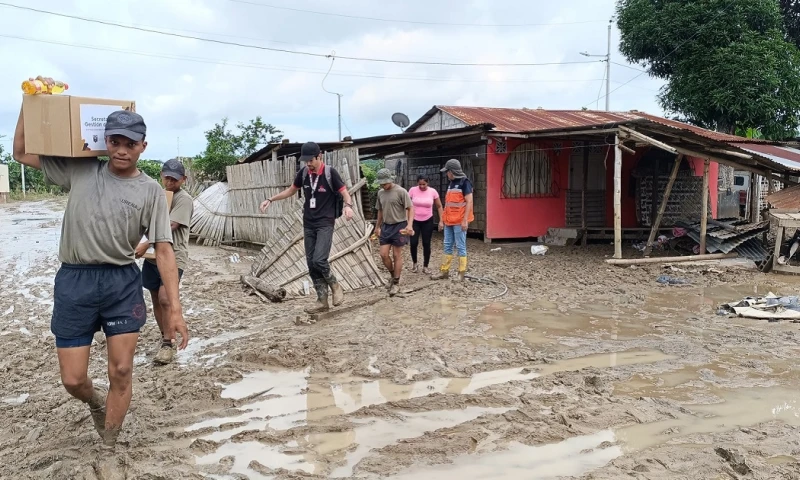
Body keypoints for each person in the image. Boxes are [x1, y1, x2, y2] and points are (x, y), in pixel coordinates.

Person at [12, 105, 188, 472]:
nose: (122, 149)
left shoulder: (152, 191)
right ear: (104, 141)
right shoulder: (80, 169)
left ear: (143, 146)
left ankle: (109, 443)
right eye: (115, 141)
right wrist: (31, 100)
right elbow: (20, 152)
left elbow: (165, 251)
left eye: (130, 143)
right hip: (74, 280)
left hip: (121, 281)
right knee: (73, 378)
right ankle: (94, 401)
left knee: (121, 371)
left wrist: (175, 310)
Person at [260, 142, 354, 313]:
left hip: (325, 222)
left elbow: (344, 192)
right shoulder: (303, 173)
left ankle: (335, 285)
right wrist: (270, 199)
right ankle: (322, 300)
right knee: (311, 263)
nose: (308, 164)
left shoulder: (329, 172)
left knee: (319, 259)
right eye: (306, 161)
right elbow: (290, 191)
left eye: (311, 160)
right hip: (308, 223)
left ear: (320, 157)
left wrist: (348, 206)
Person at [134, 159, 194, 365]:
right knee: (155, 297)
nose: (170, 182)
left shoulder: (183, 199)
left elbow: (171, 225)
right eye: (167, 177)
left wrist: (146, 242)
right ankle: (164, 335)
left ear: (183, 180)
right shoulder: (157, 195)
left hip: (173, 255)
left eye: (174, 179)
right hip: (152, 256)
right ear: (162, 175)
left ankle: (168, 344)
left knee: (165, 298)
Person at [431, 159, 474, 282]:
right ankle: (444, 271)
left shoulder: (465, 183)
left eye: (447, 171)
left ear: (452, 171)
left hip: (459, 220)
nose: (446, 174)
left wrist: (465, 220)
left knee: (460, 246)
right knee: (447, 245)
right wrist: (443, 220)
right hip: (449, 220)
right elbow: (449, 204)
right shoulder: (451, 183)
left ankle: (461, 273)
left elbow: (469, 201)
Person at [374, 169, 414, 296]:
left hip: (399, 225)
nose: (383, 186)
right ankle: (393, 275)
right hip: (386, 226)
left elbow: (410, 208)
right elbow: (380, 210)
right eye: (381, 184)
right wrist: (377, 226)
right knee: (383, 254)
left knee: (397, 255)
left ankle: (396, 282)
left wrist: (409, 225)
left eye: (385, 183)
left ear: (390, 180)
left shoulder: (401, 191)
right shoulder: (380, 193)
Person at [408, 174, 444, 274]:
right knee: (414, 242)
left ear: (428, 183)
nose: (422, 186)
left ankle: (426, 266)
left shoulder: (433, 192)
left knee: (426, 243)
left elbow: (439, 206)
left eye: (424, 184)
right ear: (417, 183)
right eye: (420, 184)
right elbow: (407, 205)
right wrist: (408, 221)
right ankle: (414, 264)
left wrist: (441, 220)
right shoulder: (412, 190)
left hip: (427, 220)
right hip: (414, 220)